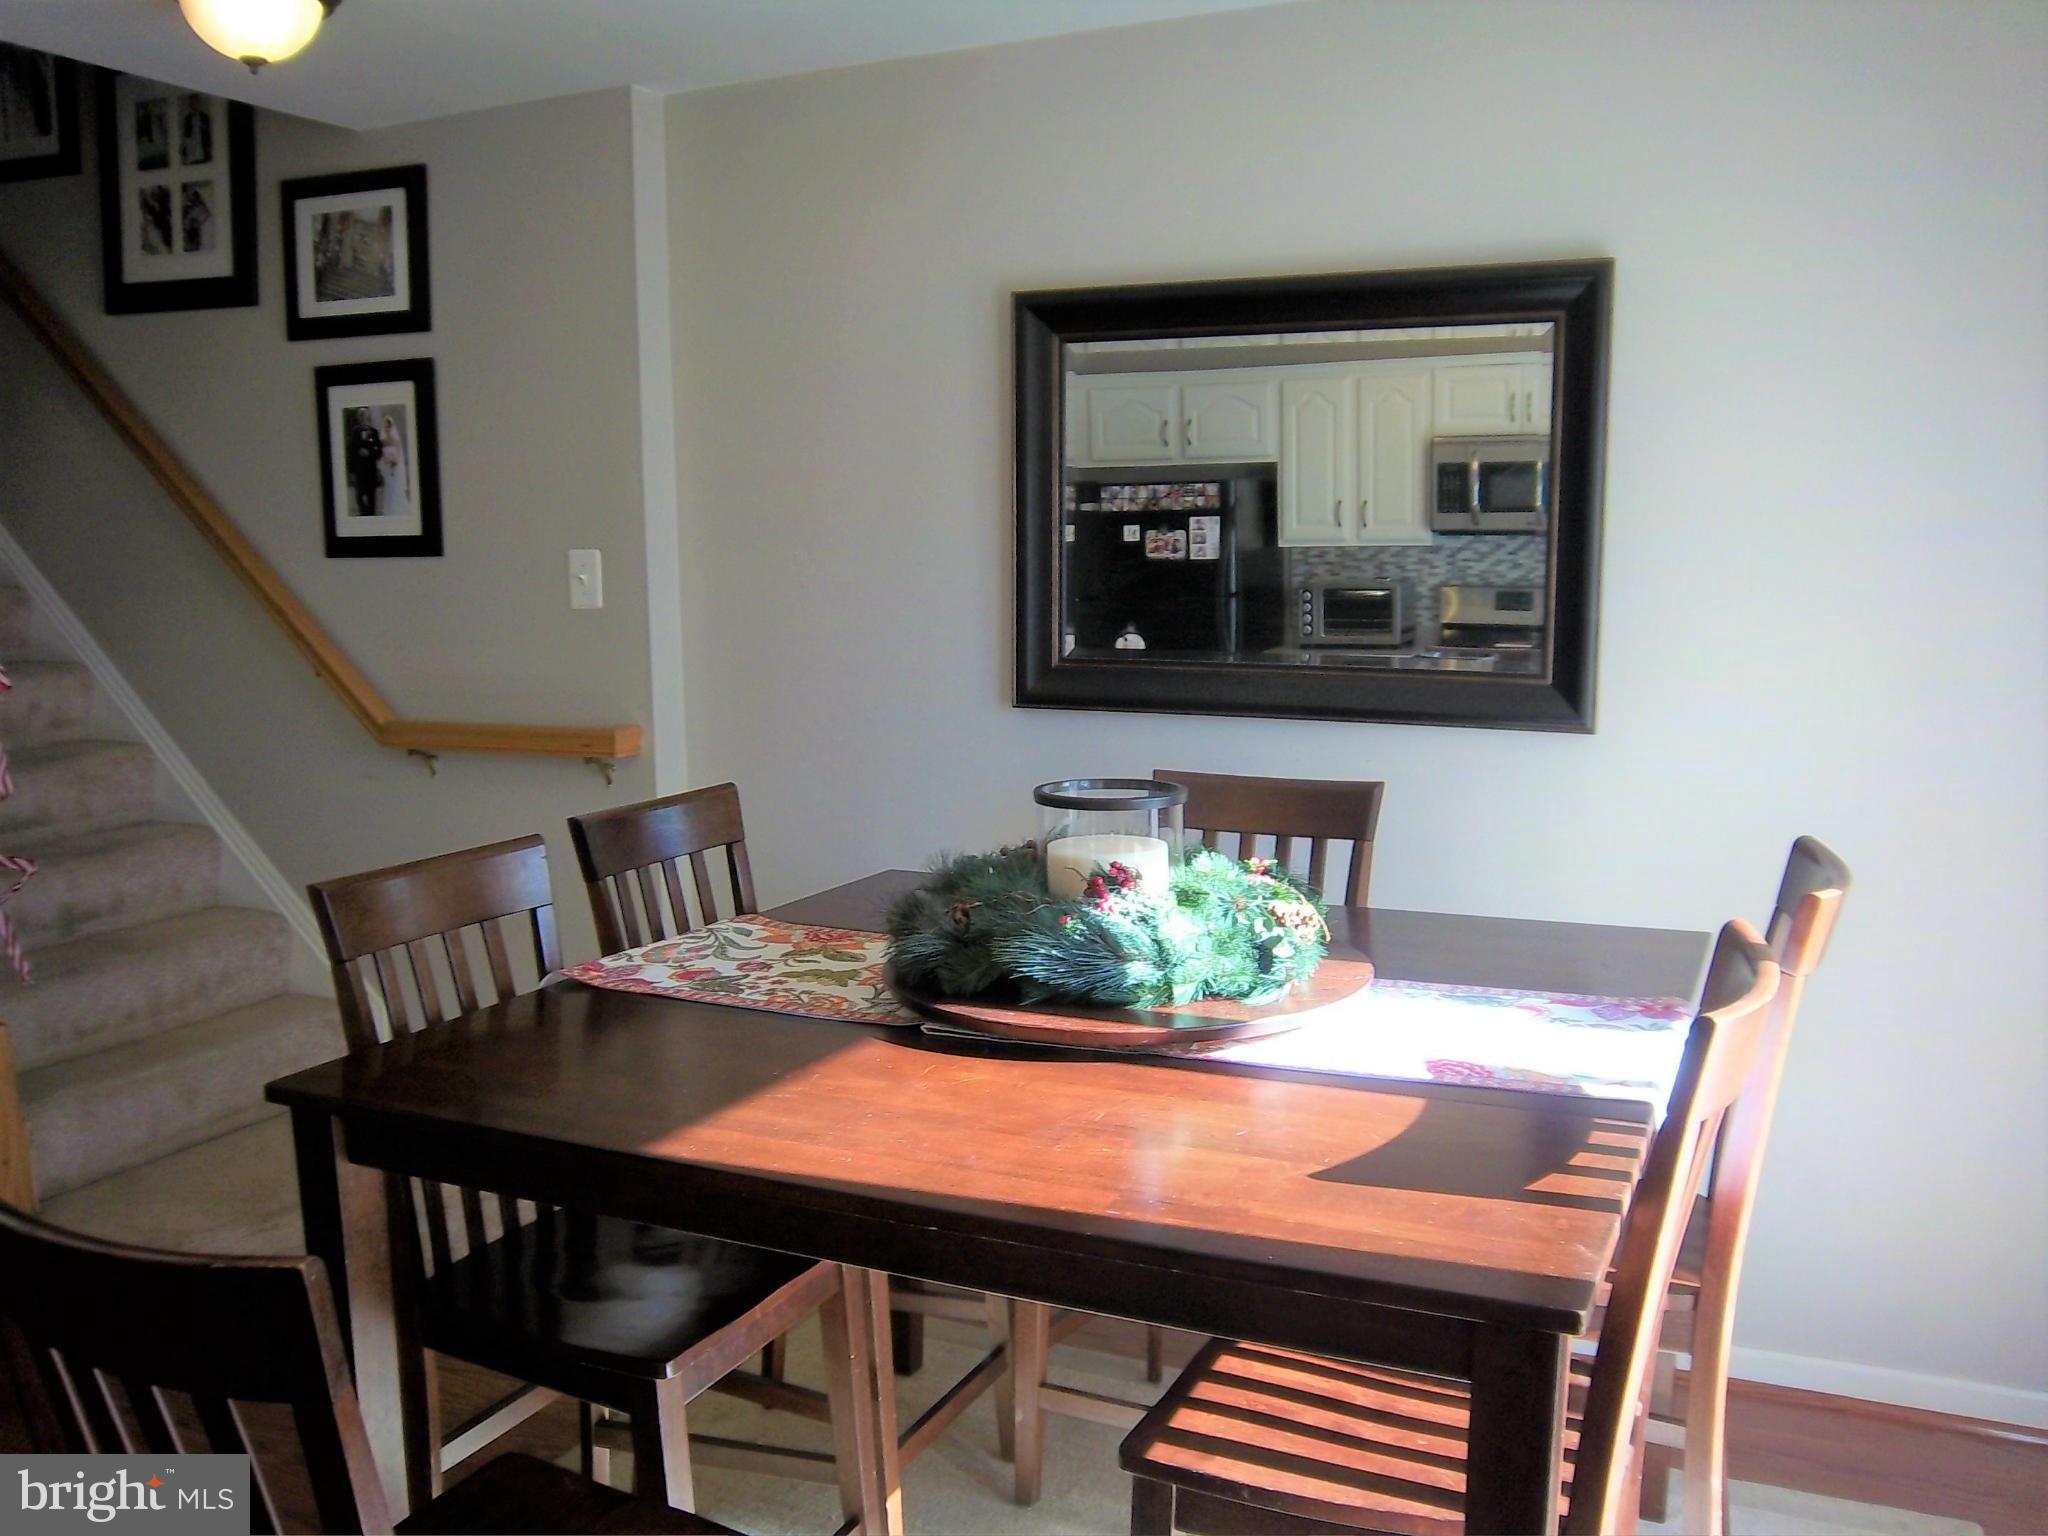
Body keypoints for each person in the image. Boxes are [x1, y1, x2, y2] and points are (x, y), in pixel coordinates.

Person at [345, 409, 383, 519]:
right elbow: (351, 451)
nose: (363, 419)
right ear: (358, 419)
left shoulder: (374, 432)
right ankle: (363, 515)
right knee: (359, 495)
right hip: (359, 469)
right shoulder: (355, 432)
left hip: (371, 469)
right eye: (361, 417)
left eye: (365, 417)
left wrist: (369, 452)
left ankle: (371, 517)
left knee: (371, 495)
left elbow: (379, 451)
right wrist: (351, 470)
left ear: (368, 418)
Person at [377, 416, 410, 522]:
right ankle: (388, 509)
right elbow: (381, 453)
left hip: (394, 467)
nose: (387, 428)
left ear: (391, 427)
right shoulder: (382, 440)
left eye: (388, 426)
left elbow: (399, 454)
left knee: (395, 487)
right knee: (388, 487)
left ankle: (396, 509)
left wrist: (395, 462)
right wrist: (384, 462)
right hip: (386, 466)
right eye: (385, 426)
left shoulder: (395, 439)